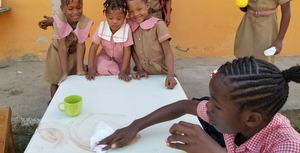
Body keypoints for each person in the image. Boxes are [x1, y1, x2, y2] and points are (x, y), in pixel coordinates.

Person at [97, 56, 300, 152]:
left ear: (252, 118)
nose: (207, 106)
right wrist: (135, 126)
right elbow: (185, 106)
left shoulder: (288, 146)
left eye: (217, 105)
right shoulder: (232, 118)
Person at [44, 0, 93, 98]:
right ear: (63, 9)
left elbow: (81, 43)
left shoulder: (83, 21)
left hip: (74, 53)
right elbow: (62, 46)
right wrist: (64, 71)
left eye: (79, 7)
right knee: (56, 80)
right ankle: (54, 104)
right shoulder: (59, 21)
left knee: (74, 79)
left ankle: (71, 100)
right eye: (70, 9)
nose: (76, 12)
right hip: (57, 54)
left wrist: (80, 68)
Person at [125, 0, 177, 89]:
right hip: (146, 75)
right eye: (131, 11)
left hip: (162, 74)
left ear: (147, 5)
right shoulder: (130, 25)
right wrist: (139, 68)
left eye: (139, 9)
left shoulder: (158, 25)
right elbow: (132, 49)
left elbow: (168, 52)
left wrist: (170, 75)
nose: (135, 14)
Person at [85, 0, 133, 82]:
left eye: (119, 18)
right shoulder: (102, 27)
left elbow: (127, 51)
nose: (114, 21)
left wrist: (123, 71)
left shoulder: (126, 29)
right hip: (106, 57)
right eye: (111, 18)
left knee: (119, 79)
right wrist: (91, 68)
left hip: (121, 61)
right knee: (102, 68)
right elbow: (93, 48)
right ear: (106, 16)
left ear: (125, 16)